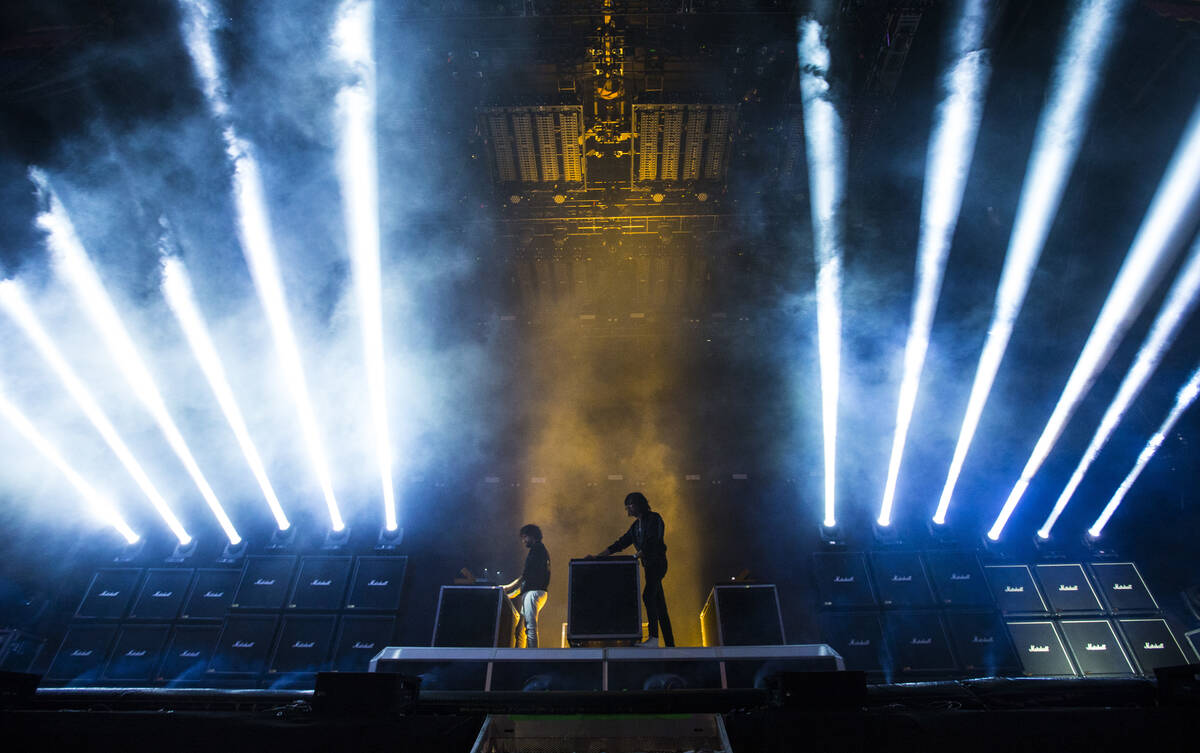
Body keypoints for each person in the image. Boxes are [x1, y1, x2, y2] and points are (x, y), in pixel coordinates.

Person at [593, 492, 674, 647]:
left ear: (638, 504)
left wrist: (636, 555)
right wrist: (599, 556)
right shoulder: (635, 526)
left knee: (648, 596)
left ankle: (654, 638)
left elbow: (653, 541)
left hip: (658, 564)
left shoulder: (654, 519)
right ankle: (670, 643)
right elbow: (621, 543)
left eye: (629, 505)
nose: (627, 509)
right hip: (649, 566)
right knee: (659, 604)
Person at [502, 524, 550, 648]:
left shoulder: (537, 550)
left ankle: (532, 658)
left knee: (530, 627)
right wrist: (511, 594)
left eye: (524, 537)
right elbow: (528, 579)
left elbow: (525, 575)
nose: (523, 541)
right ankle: (522, 656)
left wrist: (508, 587)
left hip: (534, 593)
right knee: (520, 630)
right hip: (533, 592)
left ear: (531, 536)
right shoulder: (539, 550)